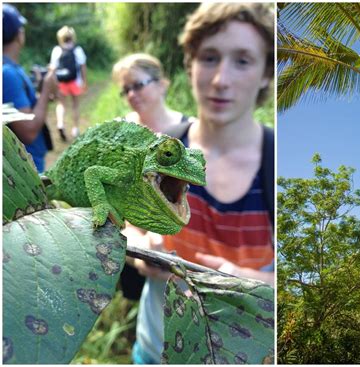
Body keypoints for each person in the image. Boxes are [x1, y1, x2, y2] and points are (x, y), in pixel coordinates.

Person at [132, 3, 275, 363]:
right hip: (154, 347)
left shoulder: (277, 162)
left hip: (241, 351)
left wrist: (238, 279)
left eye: (243, 60)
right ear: (190, 64)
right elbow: (129, 220)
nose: (220, 79)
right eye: (209, 57)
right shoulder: (163, 146)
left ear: (265, 74)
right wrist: (144, 250)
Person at [112, 53, 193, 301]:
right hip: (129, 232)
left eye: (138, 85)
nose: (131, 95)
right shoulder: (120, 130)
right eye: (125, 90)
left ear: (162, 83)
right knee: (136, 292)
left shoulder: (190, 131)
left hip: (177, 243)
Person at [3, 4, 57, 173]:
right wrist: (47, 89)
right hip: (25, 170)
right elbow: (28, 131)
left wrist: (40, 93)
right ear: (19, 34)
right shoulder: (7, 73)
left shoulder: (12, 68)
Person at [50, 26, 87, 141]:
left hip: (61, 82)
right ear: (72, 37)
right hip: (75, 82)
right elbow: (82, 66)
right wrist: (84, 81)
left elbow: (53, 68)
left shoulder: (57, 50)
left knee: (61, 104)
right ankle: (75, 129)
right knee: (75, 105)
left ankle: (60, 124)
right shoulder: (77, 50)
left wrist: (53, 84)